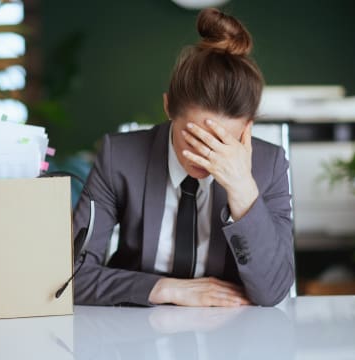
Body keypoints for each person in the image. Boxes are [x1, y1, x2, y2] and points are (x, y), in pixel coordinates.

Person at [72, 8, 294, 307]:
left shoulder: (269, 166)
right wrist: (165, 289)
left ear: (246, 128)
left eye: (221, 142)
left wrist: (242, 190)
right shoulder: (119, 158)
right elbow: (71, 277)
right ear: (168, 108)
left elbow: (274, 291)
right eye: (194, 139)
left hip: (232, 334)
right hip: (136, 328)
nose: (205, 156)